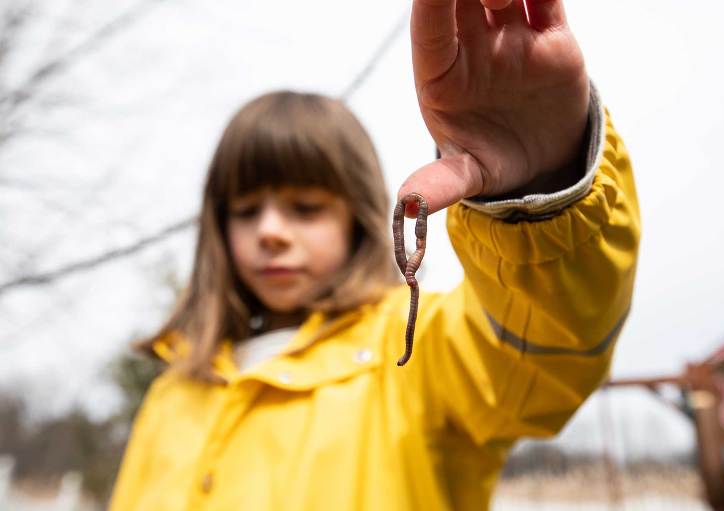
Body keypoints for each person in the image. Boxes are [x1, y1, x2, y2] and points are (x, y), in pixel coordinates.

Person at [109, 0, 640, 509]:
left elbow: (546, 343)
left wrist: (542, 183)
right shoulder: (174, 392)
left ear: (355, 218)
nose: (269, 231)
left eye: (304, 208)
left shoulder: (416, 356)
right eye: (246, 211)